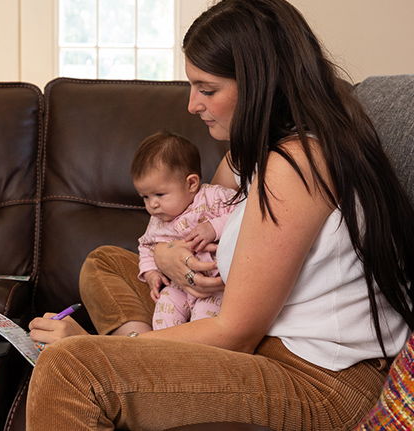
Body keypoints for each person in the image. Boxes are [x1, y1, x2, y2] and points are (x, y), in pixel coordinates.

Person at [25, 0, 414, 429]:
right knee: (107, 262)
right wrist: (173, 255)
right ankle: (143, 355)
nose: (191, 105)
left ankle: (134, 353)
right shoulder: (267, 152)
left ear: (259, 85)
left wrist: (112, 351)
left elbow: (235, 332)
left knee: (70, 368)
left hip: (318, 382)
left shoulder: (296, 164)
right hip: (268, 344)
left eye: (207, 89)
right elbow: (204, 210)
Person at [131, 131, 236, 329]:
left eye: (159, 194)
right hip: (178, 285)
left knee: (204, 323)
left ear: (191, 184)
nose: (152, 205)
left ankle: (189, 353)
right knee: (164, 309)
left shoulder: (212, 198)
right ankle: (159, 348)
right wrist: (151, 273)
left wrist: (214, 227)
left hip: (215, 288)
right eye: (145, 197)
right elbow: (145, 247)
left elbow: (245, 213)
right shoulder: (157, 220)